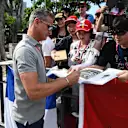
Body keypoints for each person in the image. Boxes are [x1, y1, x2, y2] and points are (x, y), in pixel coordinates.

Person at [12, 8, 80, 128]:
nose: (50, 32)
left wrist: (64, 81)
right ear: (37, 22)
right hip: (28, 121)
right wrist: (67, 80)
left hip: (34, 117)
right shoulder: (25, 50)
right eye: (48, 27)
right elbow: (33, 91)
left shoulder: (34, 47)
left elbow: (42, 79)